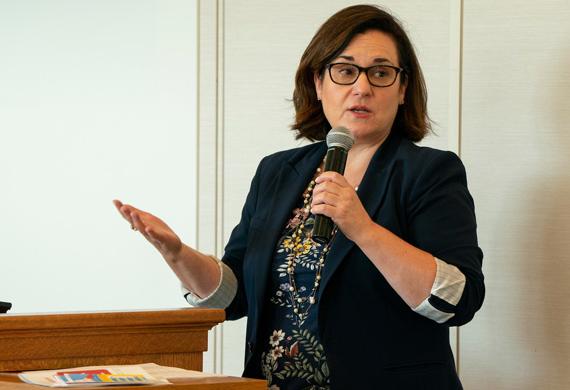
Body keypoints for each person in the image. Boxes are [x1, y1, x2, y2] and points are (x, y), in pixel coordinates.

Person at [114, 4, 484, 389]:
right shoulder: (277, 172)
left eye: (380, 72)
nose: (362, 87)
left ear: (403, 88)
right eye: (345, 71)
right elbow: (234, 295)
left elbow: (458, 299)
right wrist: (177, 254)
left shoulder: (428, 173)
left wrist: (364, 230)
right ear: (318, 83)